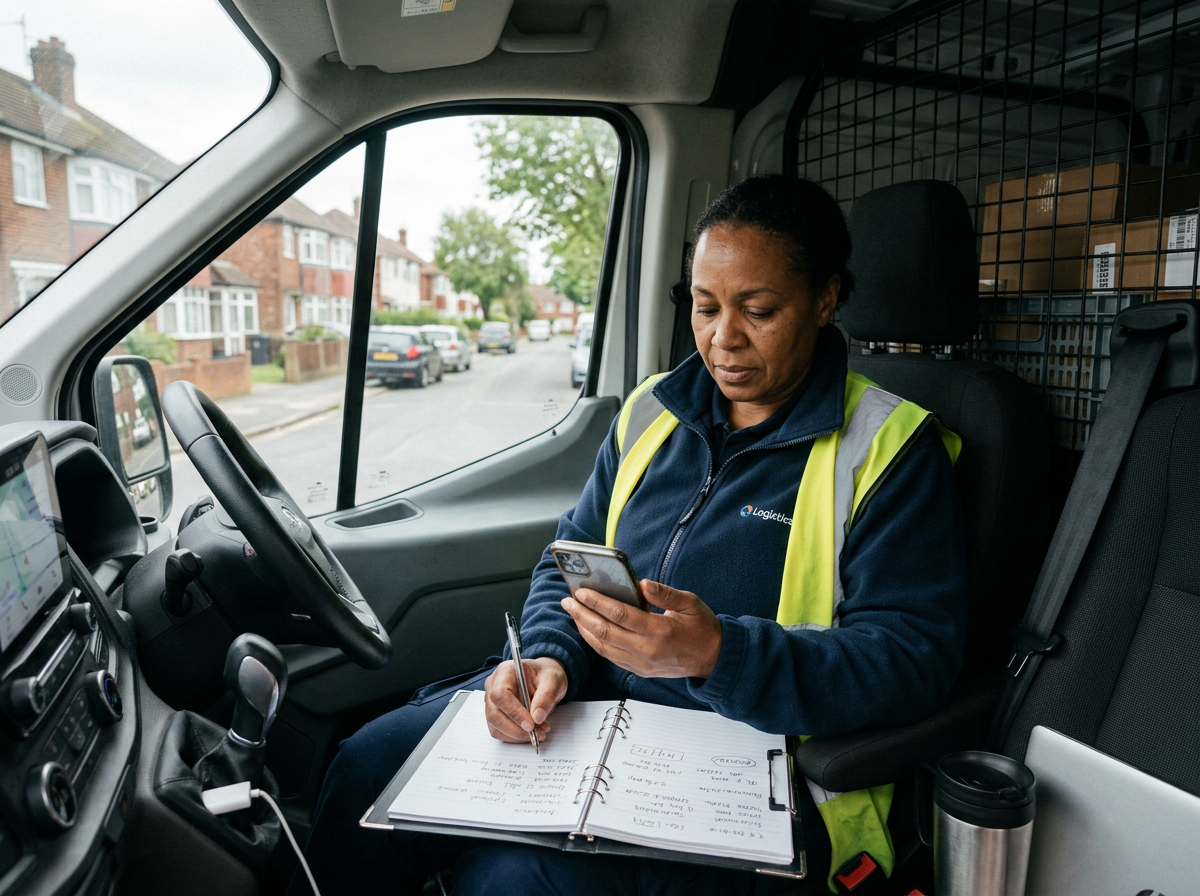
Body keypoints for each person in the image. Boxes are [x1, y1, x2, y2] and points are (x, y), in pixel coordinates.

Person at [291, 174, 967, 895]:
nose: (722, 338)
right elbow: (570, 558)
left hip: (754, 762)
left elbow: (912, 657)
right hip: (589, 713)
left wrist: (718, 654)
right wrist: (549, 659)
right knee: (365, 766)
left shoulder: (892, 448)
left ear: (826, 299)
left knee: (511, 879)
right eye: (705, 307)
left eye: (759, 311)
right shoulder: (652, 410)